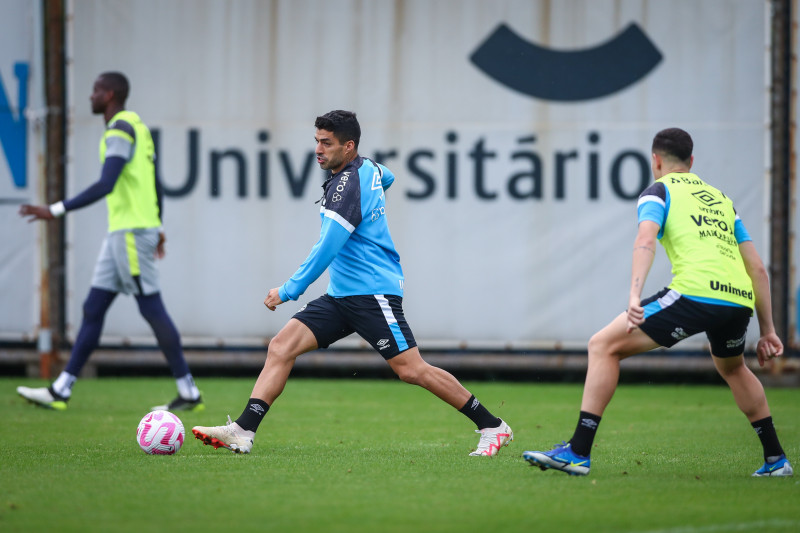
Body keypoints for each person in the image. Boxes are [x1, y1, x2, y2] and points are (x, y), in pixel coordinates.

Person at [192, 110, 512, 456]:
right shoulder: (366, 169)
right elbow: (386, 176)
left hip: (373, 293)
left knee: (411, 370)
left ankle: (492, 425)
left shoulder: (347, 186)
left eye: (326, 143)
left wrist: (288, 290)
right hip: (342, 296)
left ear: (349, 146)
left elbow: (326, 248)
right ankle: (243, 430)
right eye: (316, 141)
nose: (318, 149)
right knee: (281, 347)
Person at [523, 128, 792, 477]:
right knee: (732, 368)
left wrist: (635, 294)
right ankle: (776, 460)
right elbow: (756, 266)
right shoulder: (722, 199)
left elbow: (645, 239)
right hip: (738, 299)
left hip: (696, 293)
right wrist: (768, 330)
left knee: (602, 345)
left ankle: (577, 451)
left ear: (656, 160)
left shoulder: (658, 190)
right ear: (691, 161)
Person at [17, 72, 203, 413]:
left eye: (96, 90)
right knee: (93, 308)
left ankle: (188, 390)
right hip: (126, 232)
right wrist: (158, 226)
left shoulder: (119, 128)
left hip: (130, 233)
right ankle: (61, 388)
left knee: (151, 307)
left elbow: (107, 183)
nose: (91, 96)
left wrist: (54, 209)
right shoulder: (139, 127)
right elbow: (154, 182)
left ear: (112, 95)